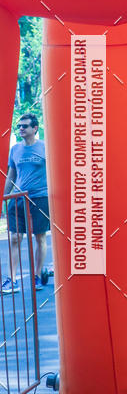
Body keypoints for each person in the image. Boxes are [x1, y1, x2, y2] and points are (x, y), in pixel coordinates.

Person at [3, 113, 50, 292]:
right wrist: (4, 198)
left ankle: (37, 276)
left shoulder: (45, 147)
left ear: (35, 128)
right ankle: (11, 280)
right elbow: (11, 175)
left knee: (39, 237)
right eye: (19, 126)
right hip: (18, 199)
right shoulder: (15, 149)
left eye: (25, 126)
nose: (21, 128)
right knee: (14, 238)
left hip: (39, 198)